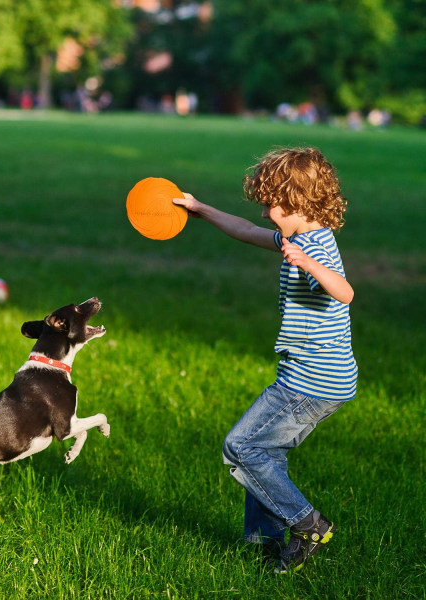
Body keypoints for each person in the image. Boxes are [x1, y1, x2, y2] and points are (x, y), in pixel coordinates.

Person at [173, 147, 357, 573]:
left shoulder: (316, 250)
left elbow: (345, 292)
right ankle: (265, 542)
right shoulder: (298, 236)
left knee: (241, 446)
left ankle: (307, 523)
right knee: (266, 452)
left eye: (274, 205)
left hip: (312, 383)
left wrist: (309, 263)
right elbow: (244, 230)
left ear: (302, 204)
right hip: (314, 377)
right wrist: (200, 208)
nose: (266, 214)